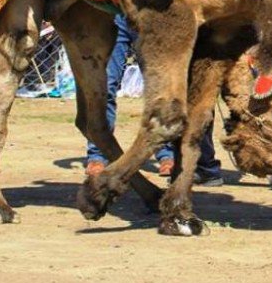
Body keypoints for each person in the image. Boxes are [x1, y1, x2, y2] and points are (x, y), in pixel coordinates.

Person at [85, 15, 222, 187]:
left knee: (166, 91)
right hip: (112, 15)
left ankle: (167, 154)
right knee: (104, 86)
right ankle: (98, 154)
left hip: (152, 16)